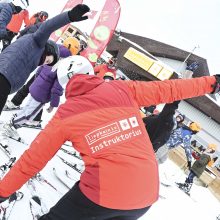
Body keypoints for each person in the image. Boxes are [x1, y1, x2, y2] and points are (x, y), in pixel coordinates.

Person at [0, 54, 219, 219]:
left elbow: (31, 162)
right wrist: (211, 83)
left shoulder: (65, 115)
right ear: (91, 72)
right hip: (146, 195)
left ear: (64, 83)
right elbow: (170, 89)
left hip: (102, 194)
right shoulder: (121, 89)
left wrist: (3, 192)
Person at [0, 4, 90, 115]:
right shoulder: (38, 41)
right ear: (50, 50)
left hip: (5, 78)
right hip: (4, 77)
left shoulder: (35, 51)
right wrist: (69, 16)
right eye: (48, 61)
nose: (45, 62)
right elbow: (48, 26)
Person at [0, 45, 71, 147]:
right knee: (29, 116)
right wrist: (53, 104)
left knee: (26, 110)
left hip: (34, 89)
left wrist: (37, 83)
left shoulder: (50, 62)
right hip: (41, 97)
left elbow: (38, 72)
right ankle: (9, 126)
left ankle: (12, 126)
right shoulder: (61, 71)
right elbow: (57, 88)